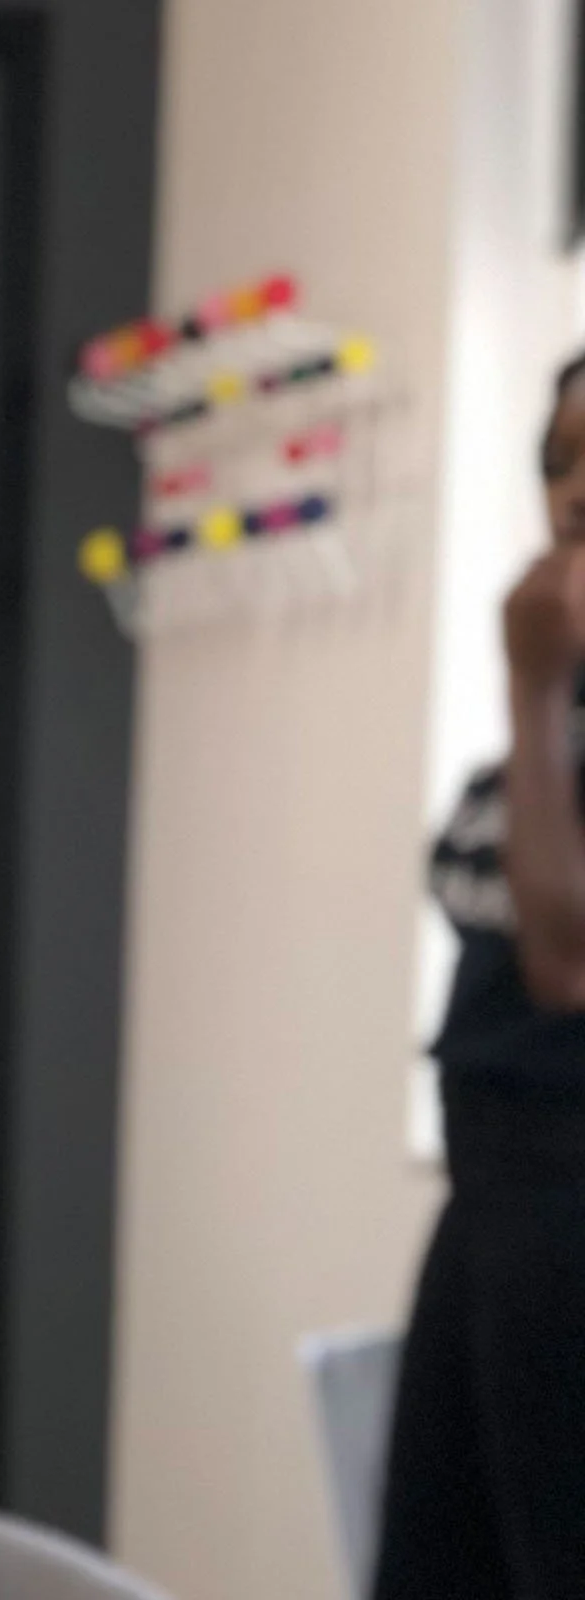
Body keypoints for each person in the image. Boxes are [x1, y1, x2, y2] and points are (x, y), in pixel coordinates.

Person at [375, 351, 585, 1598]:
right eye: (559, 460)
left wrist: (531, 681)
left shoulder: (548, 693)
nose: (575, 490)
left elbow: (568, 961)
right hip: (493, 1205)